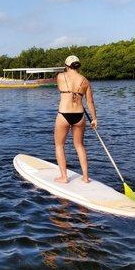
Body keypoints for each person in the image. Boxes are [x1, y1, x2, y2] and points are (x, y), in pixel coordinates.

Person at [54, 55, 97, 183]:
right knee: (79, 145)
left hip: (64, 114)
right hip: (80, 115)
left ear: (66, 66)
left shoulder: (60, 77)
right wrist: (94, 119)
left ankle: (64, 177)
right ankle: (85, 177)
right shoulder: (85, 81)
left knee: (59, 145)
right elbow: (90, 102)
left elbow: (60, 89)